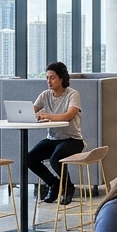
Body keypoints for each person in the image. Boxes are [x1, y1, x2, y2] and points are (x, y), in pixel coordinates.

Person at [27, 62, 83, 205]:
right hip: (52, 139)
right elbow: (31, 111)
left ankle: (68, 187)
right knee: (29, 159)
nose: (49, 81)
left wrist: (47, 115)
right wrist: (30, 115)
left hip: (72, 140)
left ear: (61, 78)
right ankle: (54, 184)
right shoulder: (45, 95)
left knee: (55, 159)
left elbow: (69, 115)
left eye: (52, 78)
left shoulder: (72, 94)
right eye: (47, 78)